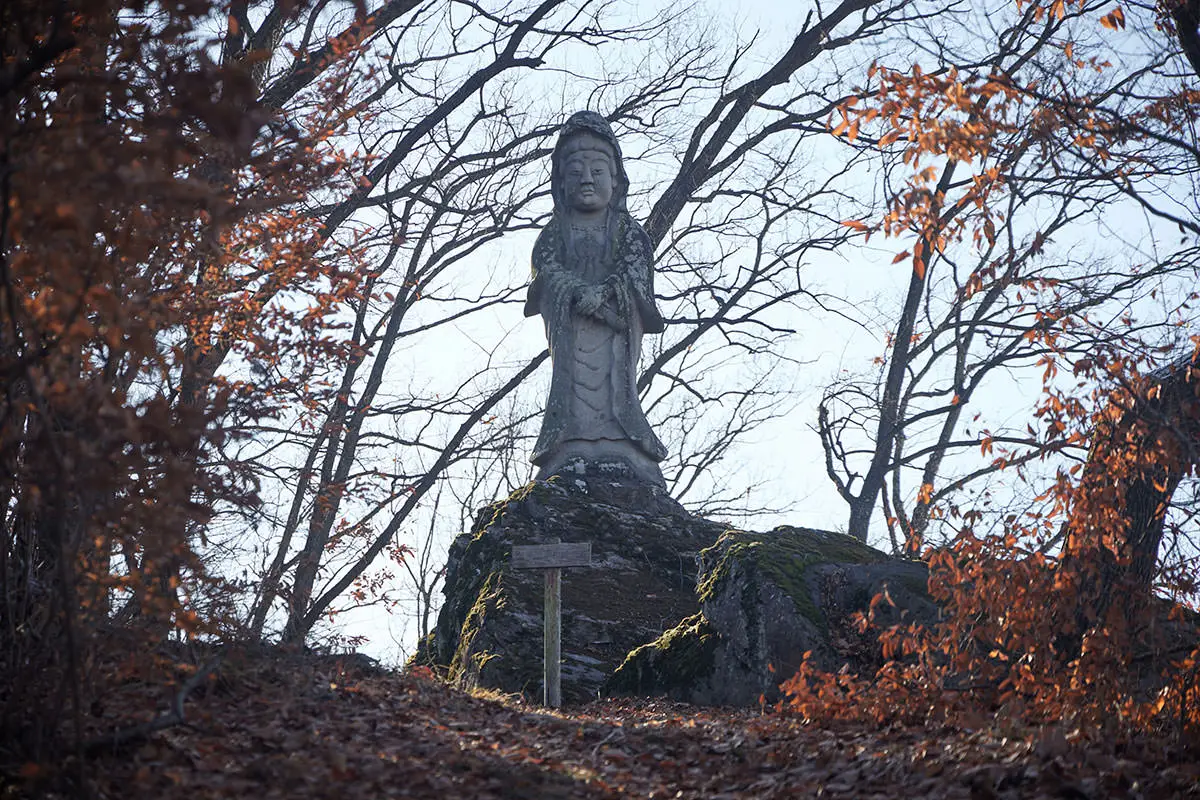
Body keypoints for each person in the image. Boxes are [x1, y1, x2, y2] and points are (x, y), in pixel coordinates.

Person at [524, 111, 668, 485]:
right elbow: (545, 272)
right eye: (575, 172)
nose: (586, 179)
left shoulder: (629, 232)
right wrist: (574, 292)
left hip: (612, 333)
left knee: (614, 385)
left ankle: (621, 439)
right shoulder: (554, 233)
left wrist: (606, 294)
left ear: (616, 181)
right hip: (571, 332)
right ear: (560, 182)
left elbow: (635, 273)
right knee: (572, 386)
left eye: (597, 171)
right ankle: (569, 443)